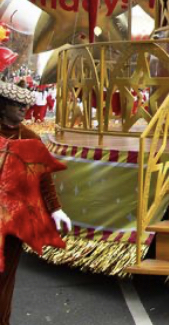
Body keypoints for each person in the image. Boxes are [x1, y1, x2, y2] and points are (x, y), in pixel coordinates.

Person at [0, 81, 70, 325]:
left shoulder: (30, 138)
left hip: (14, 224)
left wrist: (56, 209)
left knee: (4, 279)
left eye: (25, 105)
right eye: (18, 104)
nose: (24, 109)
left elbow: (44, 179)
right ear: (3, 106)